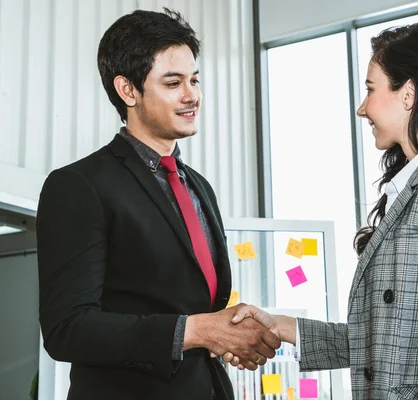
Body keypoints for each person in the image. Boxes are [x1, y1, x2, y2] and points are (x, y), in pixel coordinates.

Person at [220, 23, 418, 399]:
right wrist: (281, 326)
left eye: (371, 89)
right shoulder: (414, 183)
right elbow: (387, 344)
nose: (362, 108)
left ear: (408, 93)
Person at [36, 8, 280, 400]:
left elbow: (194, 302)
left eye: (194, 80)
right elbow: (68, 329)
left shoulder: (199, 186)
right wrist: (197, 330)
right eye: (173, 83)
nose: (192, 95)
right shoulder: (79, 185)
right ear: (128, 90)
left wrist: (226, 331)